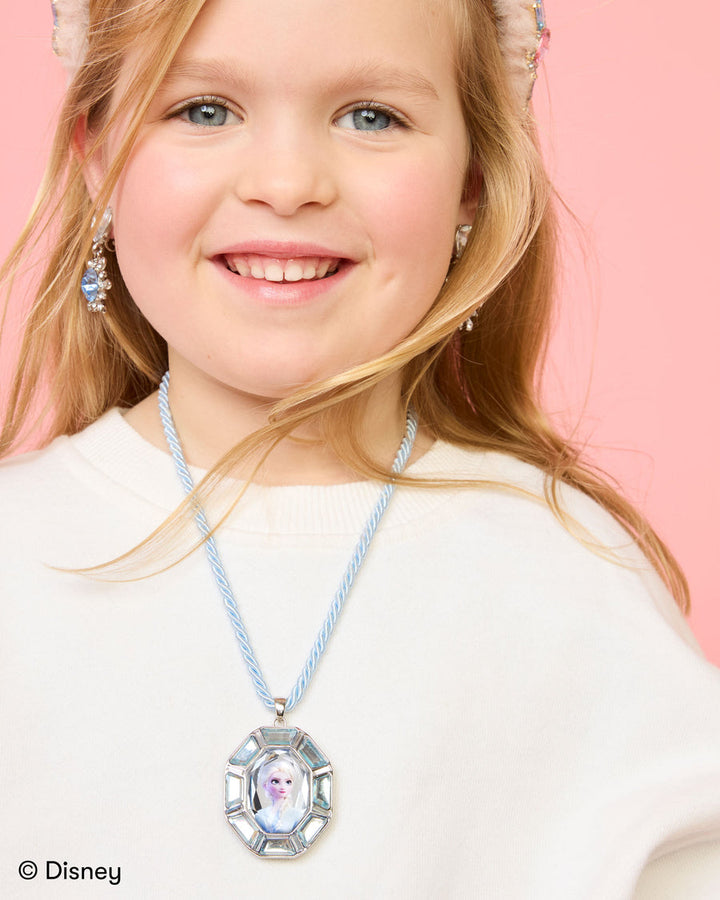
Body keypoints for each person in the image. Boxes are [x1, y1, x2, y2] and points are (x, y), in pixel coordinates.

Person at [0, 0, 719, 895]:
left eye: (371, 116)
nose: (288, 181)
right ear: (98, 155)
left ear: (473, 176)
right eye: (205, 110)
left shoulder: (576, 583)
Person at [254, 757, 306, 834]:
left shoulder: (297, 815)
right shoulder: (260, 815)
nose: (282, 786)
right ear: (265, 785)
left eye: (288, 782)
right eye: (275, 781)